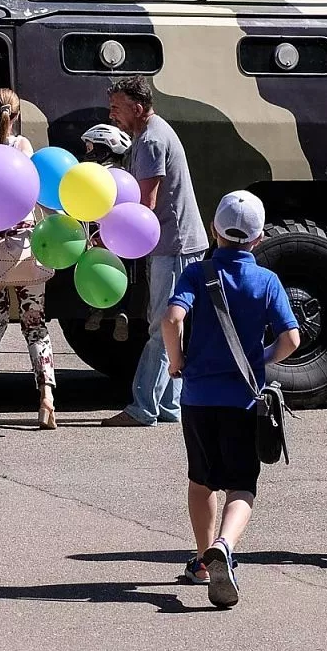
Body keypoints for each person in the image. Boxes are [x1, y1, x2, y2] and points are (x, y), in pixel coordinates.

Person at [162, 190, 300, 608]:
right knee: (242, 483)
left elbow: (172, 318)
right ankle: (225, 544)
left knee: (201, 479)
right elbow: (292, 339)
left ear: (213, 230)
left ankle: (203, 561)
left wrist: (177, 361)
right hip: (244, 399)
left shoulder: (196, 273)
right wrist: (261, 359)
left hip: (199, 397)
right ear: (259, 239)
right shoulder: (267, 281)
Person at [101, 76, 210, 427]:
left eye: (116, 107)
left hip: (174, 246)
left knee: (163, 326)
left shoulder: (150, 140)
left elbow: (145, 204)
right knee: (170, 325)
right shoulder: (152, 133)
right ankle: (168, 405)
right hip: (175, 244)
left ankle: (143, 407)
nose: (112, 114)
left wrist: (110, 235)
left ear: (137, 107)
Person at [0, 88, 58, 429]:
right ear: (16, 116)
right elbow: (31, 193)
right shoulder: (23, 147)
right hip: (24, 244)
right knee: (35, 323)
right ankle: (46, 398)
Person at [80, 123, 133, 343]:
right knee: (122, 271)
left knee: (96, 268)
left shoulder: (99, 175)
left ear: (105, 148)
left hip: (98, 235)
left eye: (90, 147)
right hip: (122, 237)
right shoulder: (125, 175)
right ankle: (122, 310)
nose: (87, 151)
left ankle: (96, 308)